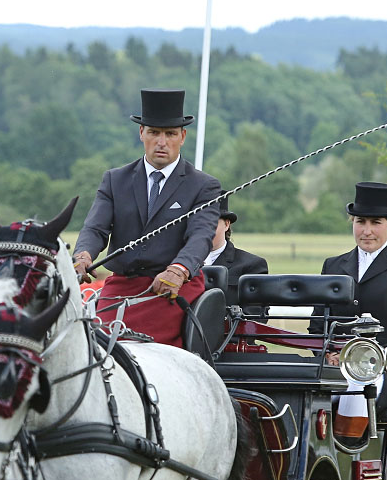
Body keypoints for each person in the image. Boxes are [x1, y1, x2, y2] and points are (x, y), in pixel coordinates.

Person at [73, 88, 221, 347]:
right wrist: (82, 257)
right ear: (141, 133)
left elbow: (200, 237)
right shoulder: (114, 180)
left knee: (146, 352)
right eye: (154, 132)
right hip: (120, 287)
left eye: (170, 134)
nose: (161, 142)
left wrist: (179, 269)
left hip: (172, 289)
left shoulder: (203, 186)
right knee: (93, 347)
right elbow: (95, 229)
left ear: (182, 136)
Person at [307, 182, 387, 440]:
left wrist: (371, 360)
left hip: (384, 369)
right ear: (352, 222)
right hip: (334, 364)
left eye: (375, 223)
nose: (366, 231)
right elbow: (317, 326)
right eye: (360, 222)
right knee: (303, 385)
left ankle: (347, 446)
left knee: (358, 383)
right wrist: (328, 351)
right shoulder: (333, 265)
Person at [206, 191, 269, 308]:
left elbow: (254, 317)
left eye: (211, 222)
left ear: (226, 224)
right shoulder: (176, 263)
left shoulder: (252, 266)